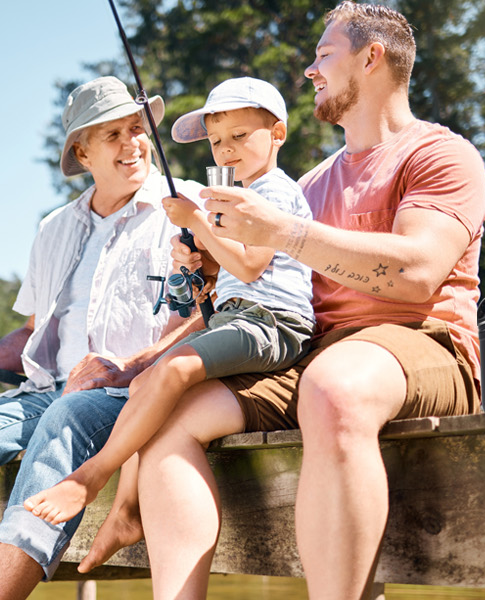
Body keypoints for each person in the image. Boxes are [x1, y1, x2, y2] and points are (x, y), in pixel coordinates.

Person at [82, 3, 485, 599]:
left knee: (333, 387)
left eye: (324, 55)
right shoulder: (308, 185)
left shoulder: (438, 155)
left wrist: (284, 233)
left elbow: (417, 273)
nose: (310, 71)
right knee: (168, 419)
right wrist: (197, 280)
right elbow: (256, 296)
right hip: (309, 352)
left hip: (423, 342)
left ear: (371, 57)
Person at [0, 75, 205, 600]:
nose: (133, 143)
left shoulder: (188, 208)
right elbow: (27, 334)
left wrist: (126, 368)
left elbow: (205, 319)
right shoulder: (54, 228)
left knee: (67, 416)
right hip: (45, 392)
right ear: (81, 152)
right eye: (113, 135)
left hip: (129, 394)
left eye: (137, 128)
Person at [22, 76, 315, 527]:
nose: (227, 150)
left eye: (239, 136)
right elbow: (229, 270)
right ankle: (125, 512)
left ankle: (90, 478)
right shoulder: (237, 196)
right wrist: (199, 263)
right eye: (217, 141)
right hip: (238, 319)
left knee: (173, 369)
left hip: (271, 324)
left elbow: (253, 267)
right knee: (143, 385)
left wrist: (197, 219)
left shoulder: (273, 192)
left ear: (277, 134)